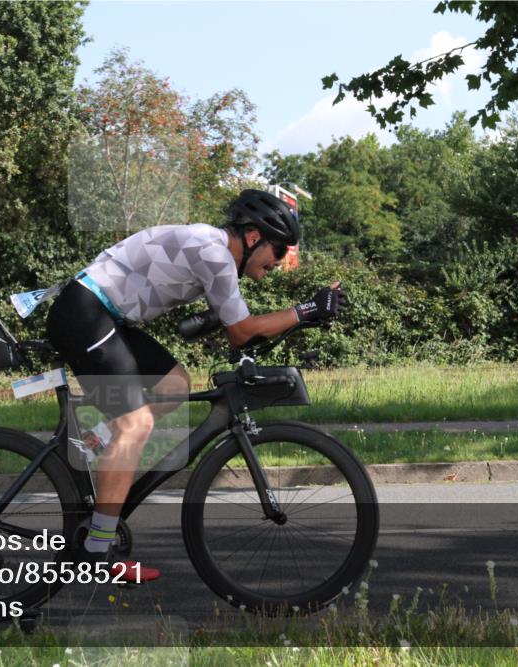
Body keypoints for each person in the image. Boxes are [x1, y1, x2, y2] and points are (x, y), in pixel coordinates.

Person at [45, 189, 346, 583]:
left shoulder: (215, 252)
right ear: (253, 237)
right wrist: (304, 310)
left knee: (174, 385)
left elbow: (233, 326)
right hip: (85, 313)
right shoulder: (215, 253)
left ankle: (97, 440)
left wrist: (298, 316)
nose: (280, 259)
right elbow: (241, 332)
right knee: (137, 425)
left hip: (105, 315)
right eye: (278, 248)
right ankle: (96, 551)